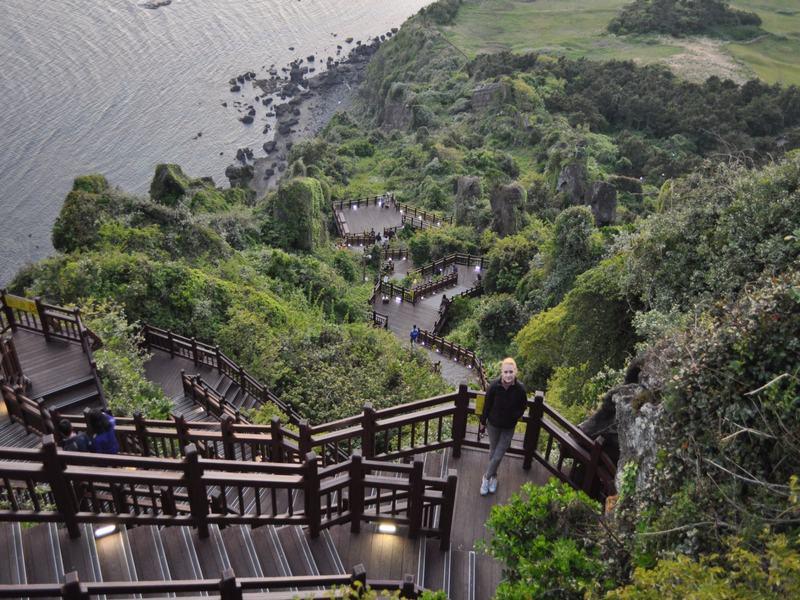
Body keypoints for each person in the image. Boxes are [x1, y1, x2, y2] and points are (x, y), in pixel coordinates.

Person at [479, 358, 527, 496]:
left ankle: (486, 478)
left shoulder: (520, 389)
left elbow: (523, 406)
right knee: (493, 451)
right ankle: (494, 477)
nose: (508, 375)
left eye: (511, 372)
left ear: (515, 372)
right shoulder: (494, 386)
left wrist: (515, 415)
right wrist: (483, 421)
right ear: (502, 372)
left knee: (498, 454)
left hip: (509, 427)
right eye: (505, 372)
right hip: (493, 424)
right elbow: (486, 405)